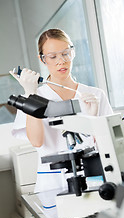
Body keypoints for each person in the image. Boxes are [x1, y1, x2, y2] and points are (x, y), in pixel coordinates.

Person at [9, 28, 113, 194]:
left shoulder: (95, 95)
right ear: (43, 60)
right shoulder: (34, 95)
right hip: (52, 183)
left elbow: (109, 142)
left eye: (65, 53)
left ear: (73, 52)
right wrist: (31, 95)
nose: (61, 61)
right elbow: (37, 141)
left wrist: (93, 121)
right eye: (53, 56)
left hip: (93, 179)